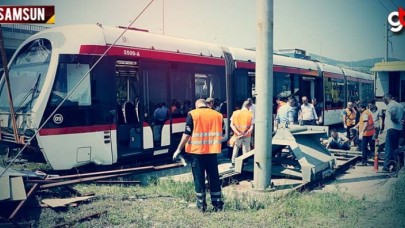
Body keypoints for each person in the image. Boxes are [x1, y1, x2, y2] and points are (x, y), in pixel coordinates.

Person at [172, 99, 224, 212]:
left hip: (197, 153)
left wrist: (178, 149)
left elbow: (186, 134)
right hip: (212, 152)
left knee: (199, 179)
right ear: (206, 104)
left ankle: (201, 206)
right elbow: (222, 132)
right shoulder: (218, 115)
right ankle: (217, 204)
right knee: (214, 177)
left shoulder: (193, 114)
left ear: (197, 105)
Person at [382, 94, 404, 172]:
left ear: (386, 98)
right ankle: (395, 165)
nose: (383, 101)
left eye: (383, 99)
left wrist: (395, 121)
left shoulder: (392, 104)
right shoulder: (400, 106)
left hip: (392, 129)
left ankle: (386, 166)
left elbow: (393, 114)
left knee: (388, 148)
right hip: (399, 130)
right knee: (395, 149)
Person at [230, 101, 253, 165]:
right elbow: (252, 126)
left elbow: (231, 125)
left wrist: (237, 132)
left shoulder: (235, 113)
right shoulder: (250, 114)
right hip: (247, 135)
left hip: (237, 134)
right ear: (249, 106)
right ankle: (245, 161)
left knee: (236, 147)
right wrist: (247, 132)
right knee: (245, 148)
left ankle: (233, 161)